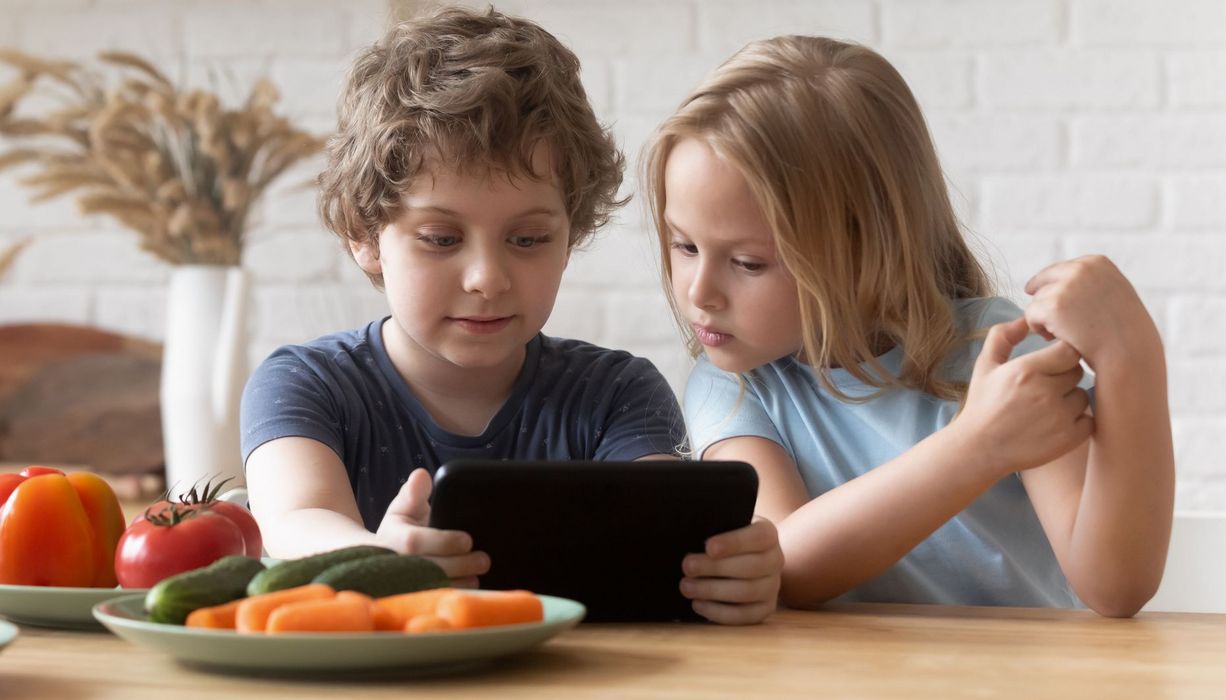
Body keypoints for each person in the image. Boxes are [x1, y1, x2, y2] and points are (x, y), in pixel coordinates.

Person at [240, 6, 781, 625]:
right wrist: (380, 559)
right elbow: (294, 522)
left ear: (571, 235)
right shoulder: (305, 383)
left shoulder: (617, 393)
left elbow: (665, 543)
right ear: (364, 234)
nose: (487, 278)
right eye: (441, 239)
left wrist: (732, 566)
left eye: (527, 240)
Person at [642, 35, 1174, 617]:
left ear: (868, 248)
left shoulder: (996, 356)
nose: (699, 292)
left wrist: (1132, 356)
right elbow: (786, 565)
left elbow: (1115, 588)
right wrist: (978, 446)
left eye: (748, 263)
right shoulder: (732, 386)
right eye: (684, 245)